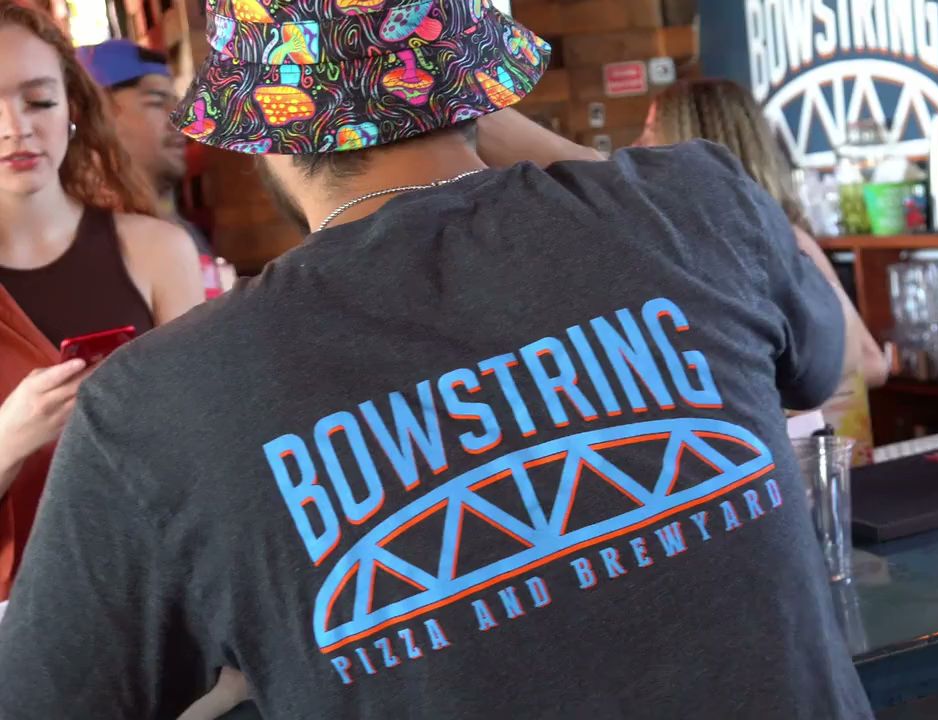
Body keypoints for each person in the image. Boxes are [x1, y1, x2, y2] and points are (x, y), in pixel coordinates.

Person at [0, 1, 874, 718]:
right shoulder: (697, 205)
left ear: (262, 130)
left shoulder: (157, 404)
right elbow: (818, 362)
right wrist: (498, 123)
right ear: (479, 89)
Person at [0, 0, 205, 601]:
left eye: (39, 101)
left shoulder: (158, 251)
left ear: (73, 109)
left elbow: (203, 442)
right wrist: (12, 435)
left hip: (154, 589)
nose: (16, 127)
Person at [638, 79, 889, 462]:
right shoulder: (695, 250)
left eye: (652, 130)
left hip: (800, 470)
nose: (637, 144)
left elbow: (870, 363)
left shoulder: (782, 242)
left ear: (690, 140)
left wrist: (759, 395)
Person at [76, 38, 227, 299]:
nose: (182, 119)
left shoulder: (180, 231)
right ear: (96, 115)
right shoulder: (81, 244)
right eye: (157, 102)